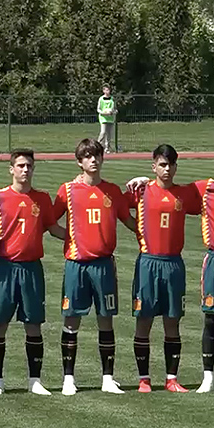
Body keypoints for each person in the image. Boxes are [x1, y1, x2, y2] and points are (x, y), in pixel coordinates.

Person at [126, 151, 214, 393]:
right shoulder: (206, 189)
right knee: (211, 318)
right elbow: (164, 188)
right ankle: (206, 378)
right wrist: (144, 180)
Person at [52, 138, 136, 396]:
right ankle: (68, 379)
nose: (94, 160)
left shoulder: (112, 191)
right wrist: (70, 238)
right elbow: (50, 223)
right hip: (76, 265)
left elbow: (130, 221)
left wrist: (149, 232)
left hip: (103, 265)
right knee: (71, 319)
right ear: (80, 162)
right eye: (88, 156)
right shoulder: (67, 190)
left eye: (97, 155)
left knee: (105, 319)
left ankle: (107, 378)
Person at [0, 149, 65, 397]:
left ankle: (34, 381)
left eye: (29, 166)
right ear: (11, 169)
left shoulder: (42, 198)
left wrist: (79, 237)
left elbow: (53, 227)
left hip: (31, 269)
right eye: (20, 165)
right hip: (5, 269)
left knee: (33, 324)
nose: (25, 170)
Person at [121, 145, 202, 393]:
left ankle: (171, 379)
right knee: (143, 320)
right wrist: (136, 227)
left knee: (172, 321)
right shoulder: (141, 191)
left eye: (171, 165)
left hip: (173, 264)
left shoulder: (184, 193)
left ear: (176, 167)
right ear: (153, 166)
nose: (167, 169)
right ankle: (144, 379)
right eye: (162, 165)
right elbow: (115, 205)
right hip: (148, 263)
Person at [97, 85, 117, 154]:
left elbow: (114, 108)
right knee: (103, 132)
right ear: (103, 91)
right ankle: (98, 145)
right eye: (106, 90)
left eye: (108, 90)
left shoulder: (112, 99)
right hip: (103, 118)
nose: (107, 91)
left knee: (109, 134)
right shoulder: (101, 99)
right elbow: (98, 109)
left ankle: (107, 148)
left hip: (110, 118)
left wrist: (113, 112)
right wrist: (103, 113)